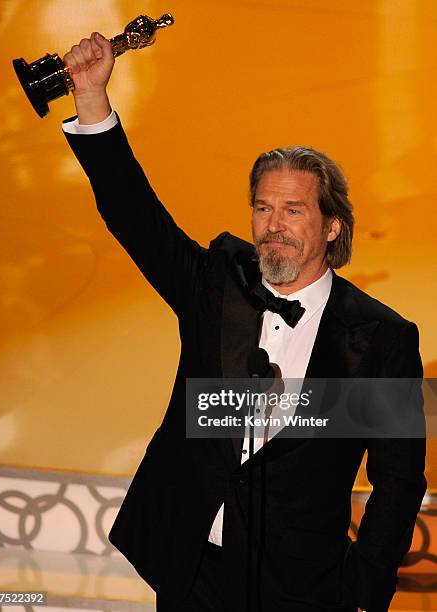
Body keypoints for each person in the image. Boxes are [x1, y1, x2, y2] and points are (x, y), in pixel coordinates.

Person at [61, 32, 427, 612]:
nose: (272, 225)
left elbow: (398, 482)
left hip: (303, 591)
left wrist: (365, 589)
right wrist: (91, 101)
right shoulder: (218, 289)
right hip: (193, 576)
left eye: (293, 209)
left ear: (333, 226)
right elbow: (136, 216)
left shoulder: (380, 339)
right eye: (262, 207)